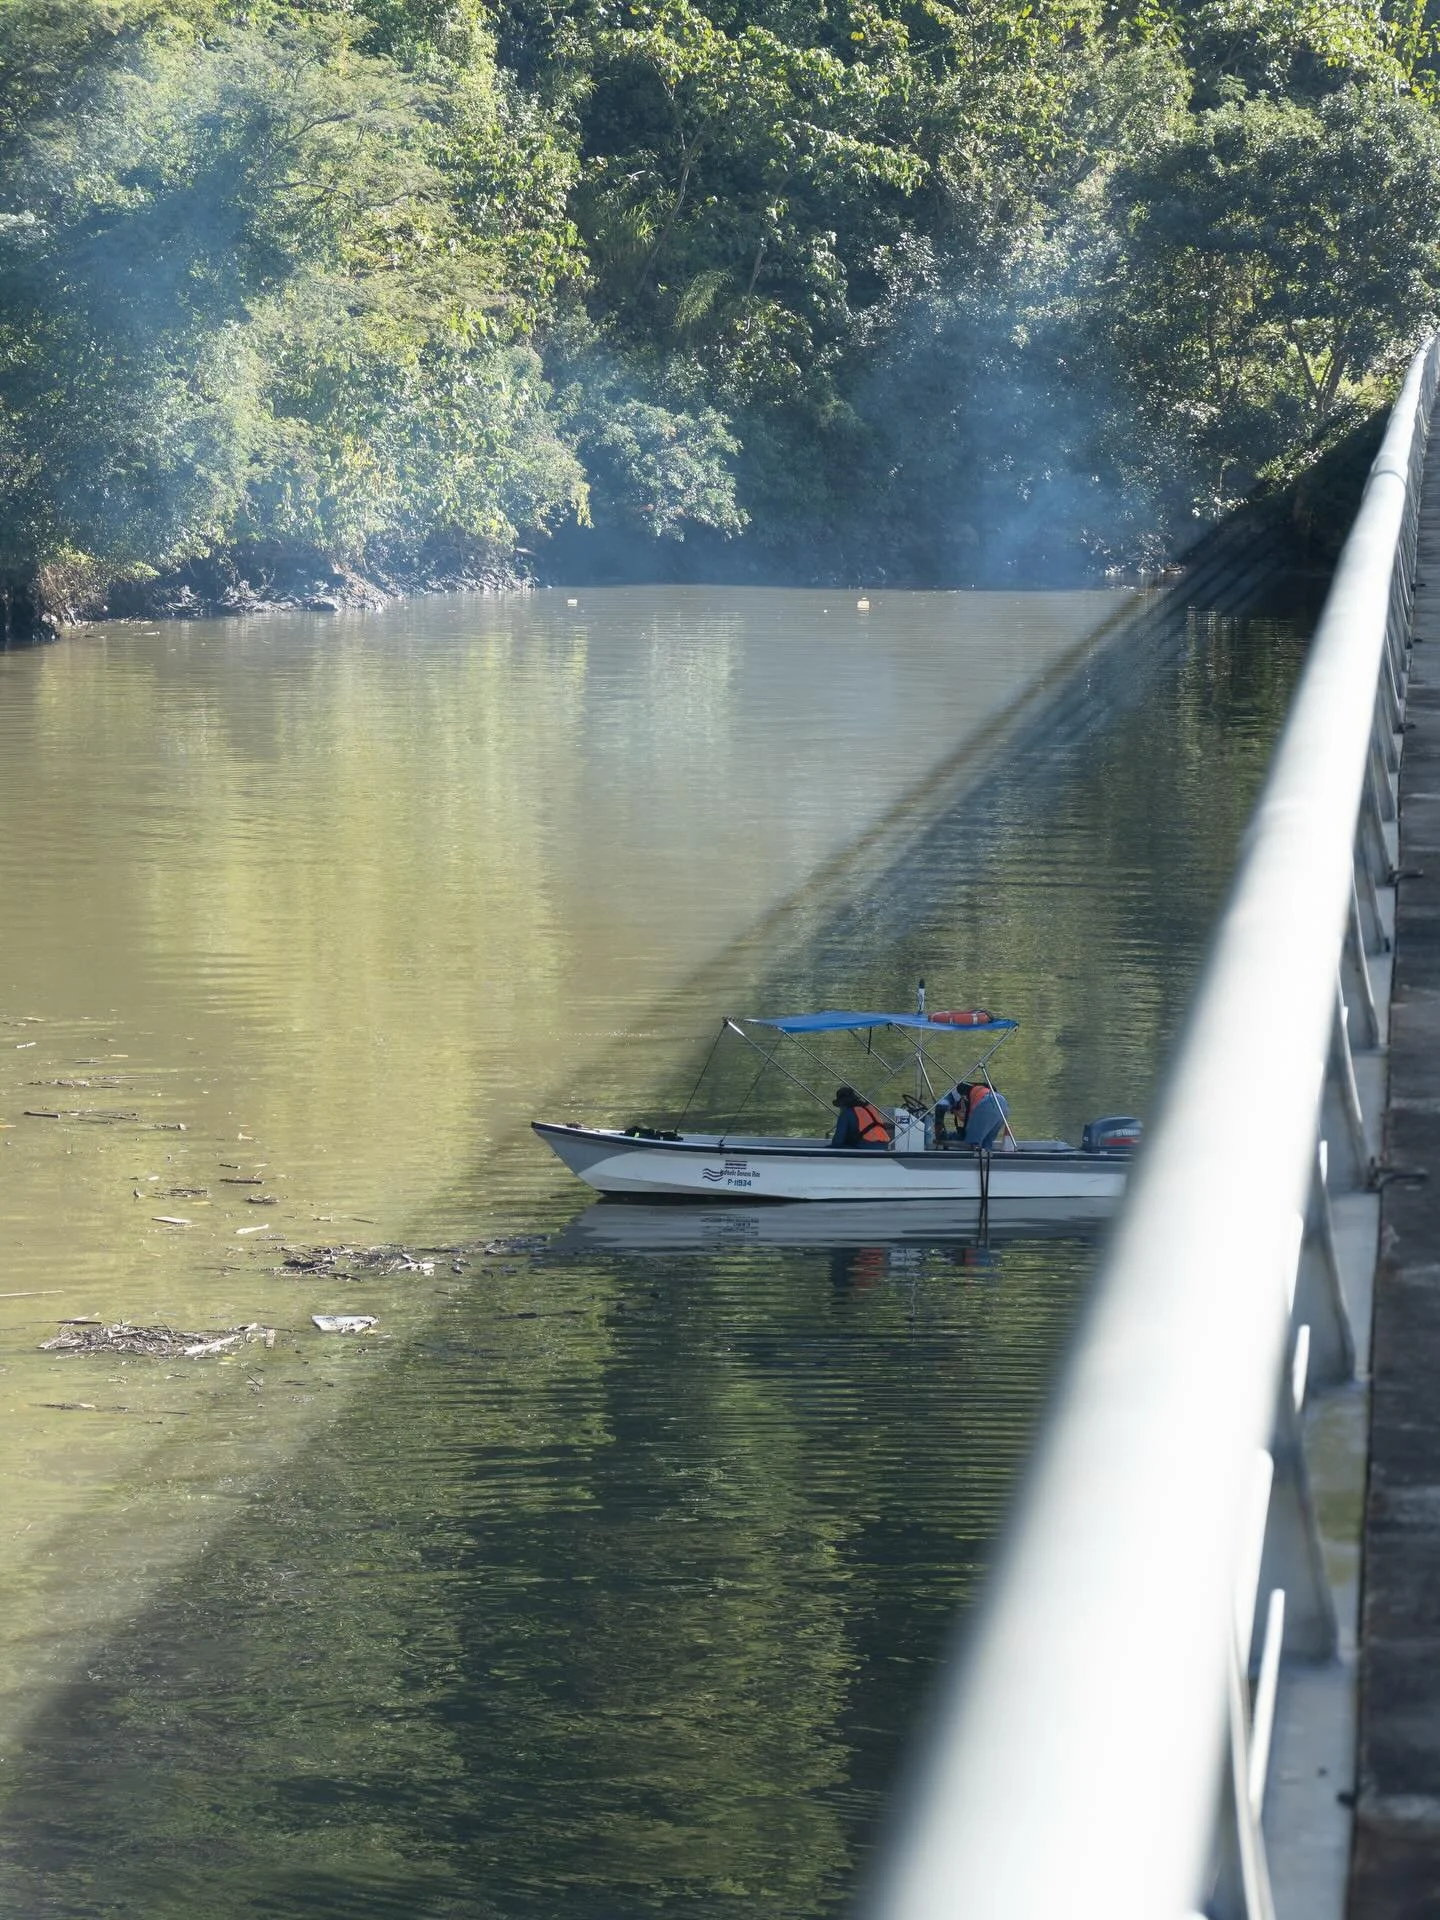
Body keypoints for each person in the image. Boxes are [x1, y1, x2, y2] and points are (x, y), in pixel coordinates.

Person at [934, 1080, 1009, 1149]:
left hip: (986, 1103)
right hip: (1003, 1104)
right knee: (986, 1142)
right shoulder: (975, 1089)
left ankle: (971, 1158)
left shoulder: (956, 1092)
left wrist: (939, 1131)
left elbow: (940, 1106)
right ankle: (986, 1158)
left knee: (972, 1144)